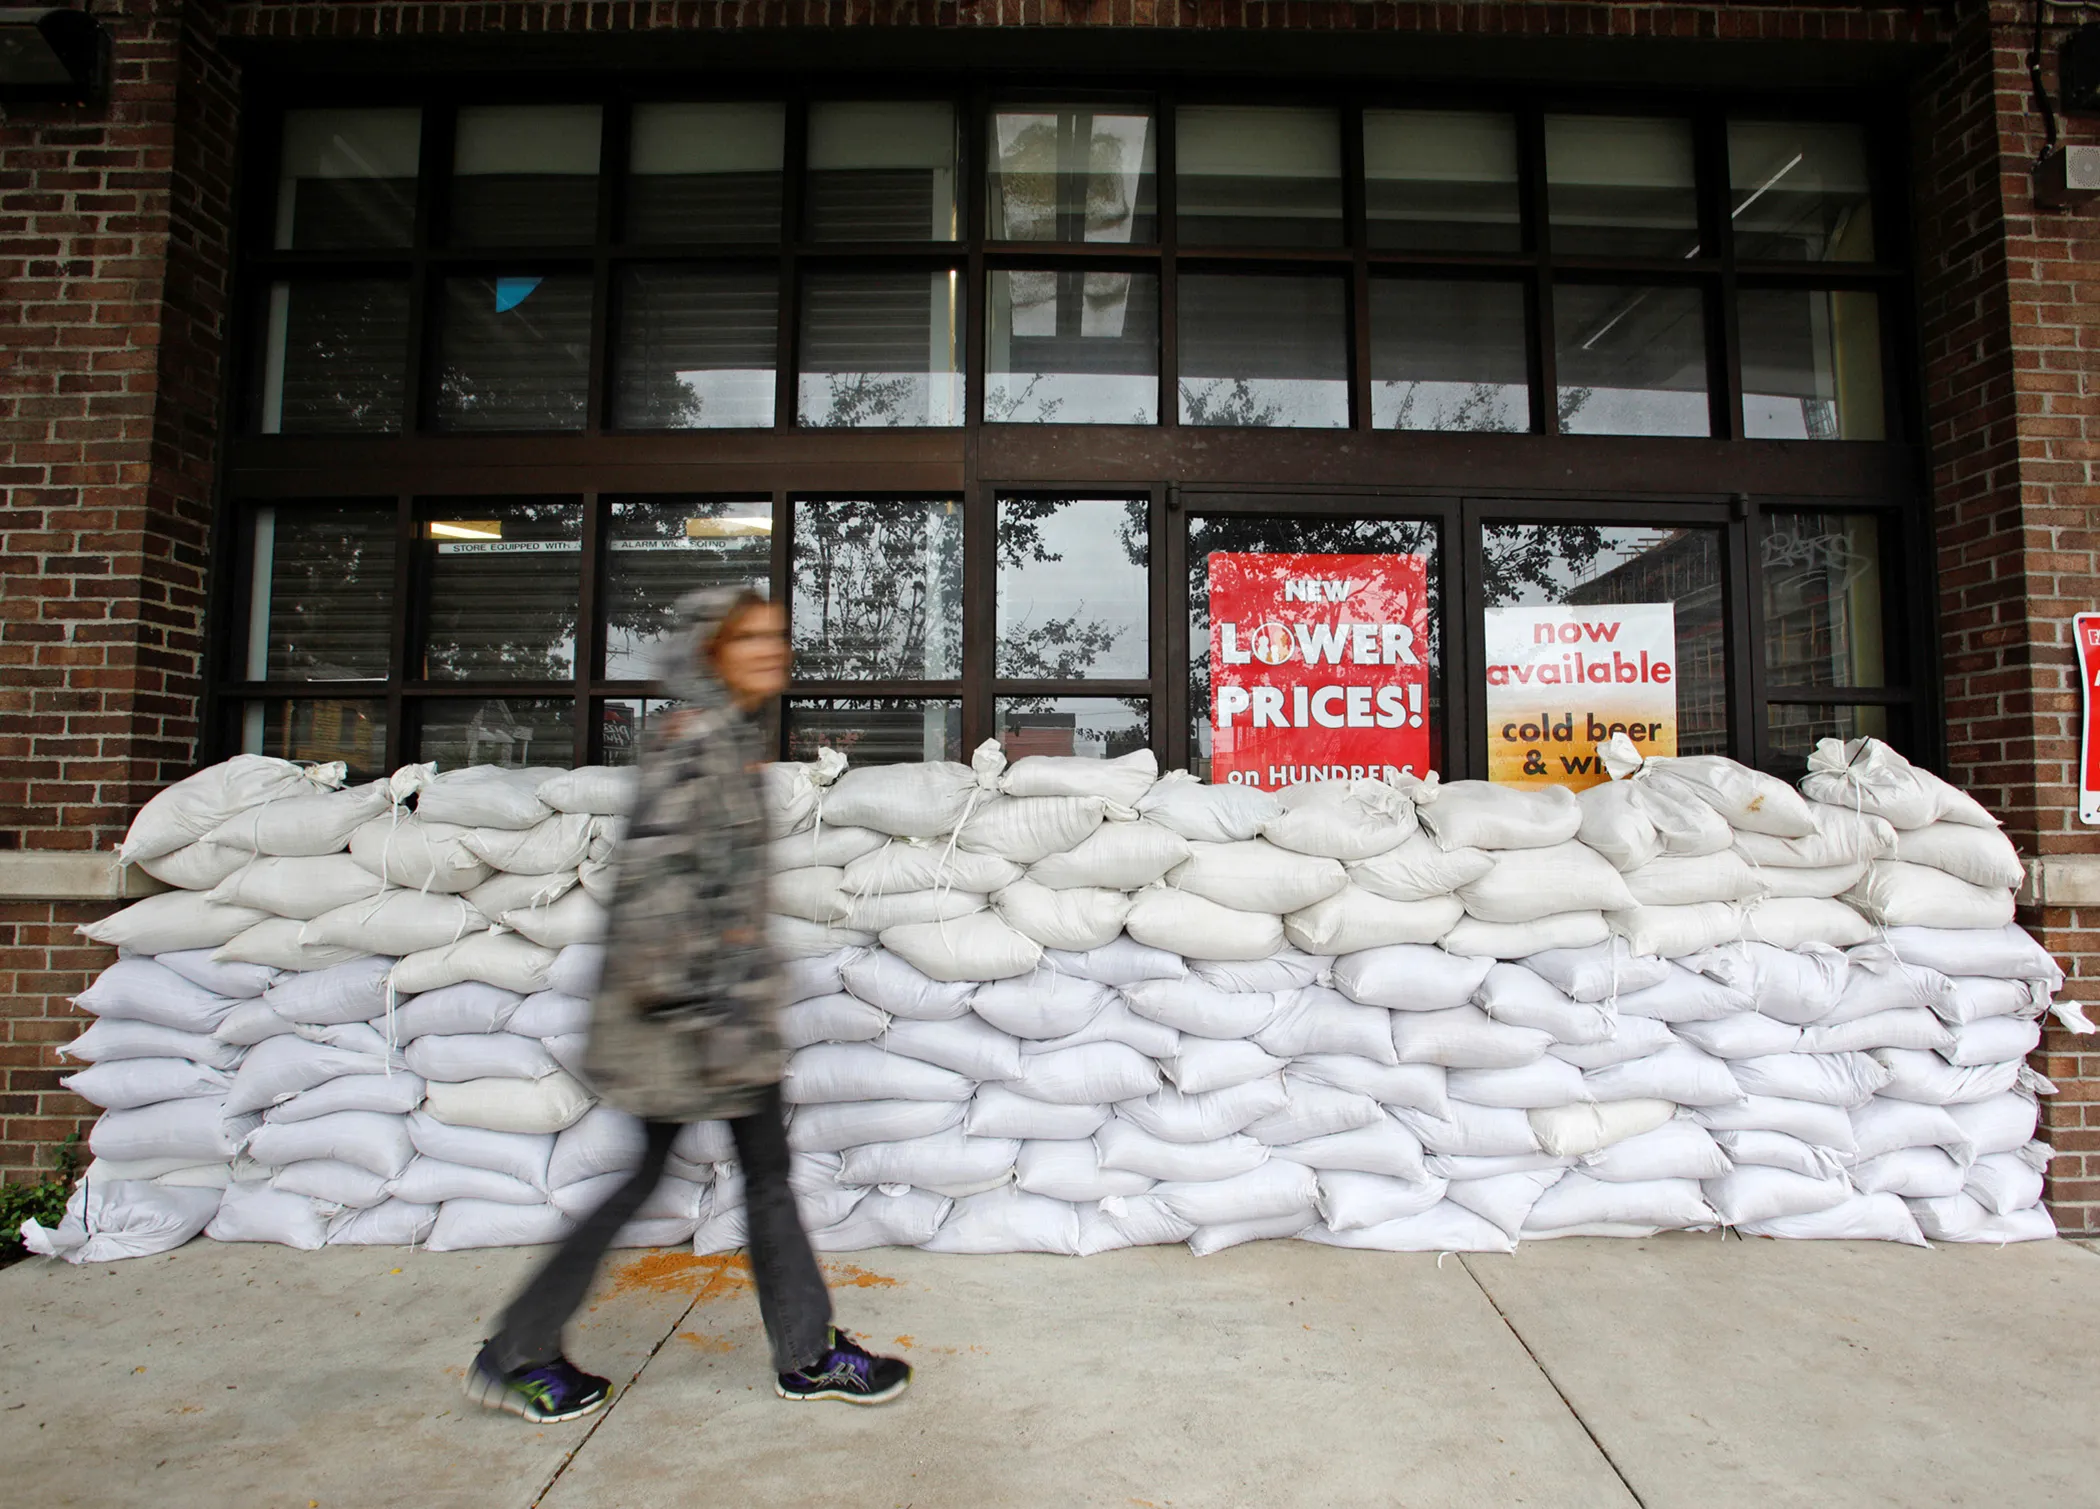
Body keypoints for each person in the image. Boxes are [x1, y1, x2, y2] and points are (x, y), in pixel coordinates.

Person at [465, 586, 911, 1423]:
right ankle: (524, 1350)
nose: (772, 649)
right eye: (751, 638)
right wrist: (712, 1015)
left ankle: (799, 1351)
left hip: (707, 1018)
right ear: (713, 652)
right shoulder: (694, 743)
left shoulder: (724, 738)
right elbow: (658, 898)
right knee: (714, 1179)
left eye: (777, 635)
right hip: (690, 1025)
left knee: (743, 1177)